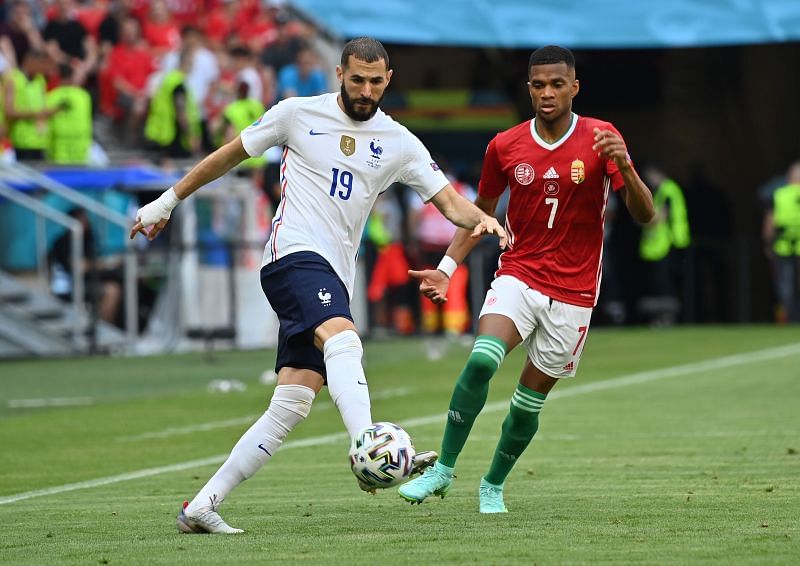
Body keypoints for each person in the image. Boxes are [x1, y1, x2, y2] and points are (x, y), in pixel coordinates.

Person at [129, 36, 507, 534]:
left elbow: (449, 204)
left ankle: (201, 505)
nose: (366, 89)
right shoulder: (296, 113)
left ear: (388, 80)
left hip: (334, 272)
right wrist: (167, 201)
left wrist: (483, 219)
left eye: (376, 81)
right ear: (339, 74)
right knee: (344, 338)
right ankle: (370, 445)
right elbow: (229, 155)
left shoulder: (399, 142)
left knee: (293, 401)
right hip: (293, 256)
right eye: (357, 79)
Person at [398, 45, 655, 513]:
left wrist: (627, 166)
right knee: (480, 361)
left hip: (575, 292)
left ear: (574, 87)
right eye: (539, 85)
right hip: (519, 273)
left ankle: (492, 484)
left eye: (557, 84)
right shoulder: (505, 145)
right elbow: (480, 215)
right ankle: (443, 470)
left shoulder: (602, 137)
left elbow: (645, 214)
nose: (548, 93)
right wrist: (446, 268)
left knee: (526, 404)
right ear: (529, 89)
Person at [638, 162, 691, 326]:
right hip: (660, 245)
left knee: (665, 284)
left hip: (668, 243)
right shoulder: (662, 191)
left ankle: (667, 318)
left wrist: (642, 218)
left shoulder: (668, 190)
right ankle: (661, 317)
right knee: (659, 284)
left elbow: (660, 216)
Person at [763, 161, 800, 323]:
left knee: (785, 285)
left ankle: (789, 318)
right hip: (790, 245)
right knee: (787, 284)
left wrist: (768, 243)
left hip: (784, 245)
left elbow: (770, 222)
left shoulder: (779, 194)